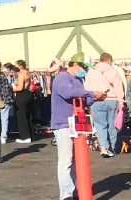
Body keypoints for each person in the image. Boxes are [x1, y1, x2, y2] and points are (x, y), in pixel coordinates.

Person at [51, 54, 105, 200]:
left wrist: (95, 97)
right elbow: (69, 93)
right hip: (63, 123)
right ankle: (66, 194)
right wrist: (92, 93)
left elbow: (83, 99)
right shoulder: (62, 78)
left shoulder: (78, 80)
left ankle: (73, 191)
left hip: (75, 123)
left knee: (75, 161)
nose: (86, 70)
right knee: (66, 161)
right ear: (75, 65)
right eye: (85, 67)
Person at [85, 52, 123, 158]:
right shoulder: (113, 71)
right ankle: (112, 147)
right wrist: (121, 101)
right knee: (112, 125)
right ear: (109, 60)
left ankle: (103, 148)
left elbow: (87, 87)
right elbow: (118, 87)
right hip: (112, 100)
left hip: (97, 100)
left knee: (100, 125)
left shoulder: (91, 71)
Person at [12, 60, 33, 143]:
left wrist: (11, 89)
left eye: (16, 65)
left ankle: (25, 136)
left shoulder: (21, 74)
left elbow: (20, 88)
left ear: (20, 66)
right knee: (27, 115)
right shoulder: (27, 72)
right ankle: (30, 135)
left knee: (21, 115)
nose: (15, 67)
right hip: (28, 94)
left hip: (22, 95)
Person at [0, 61, 15, 144]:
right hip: (5, 98)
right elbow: (7, 87)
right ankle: (3, 136)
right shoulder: (3, 76)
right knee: (4, 119)